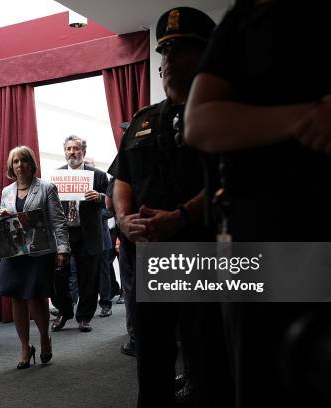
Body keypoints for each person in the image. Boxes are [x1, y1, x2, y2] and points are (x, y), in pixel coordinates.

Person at [184, 1, 331, 406]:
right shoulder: (249, 14)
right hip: (267, 237)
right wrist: (315, 118)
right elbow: (200, 122)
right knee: (266, 384)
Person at [110, 7, 233, 407]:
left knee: (209, 355)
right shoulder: (144, 120)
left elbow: (230, 180)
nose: (167, 63)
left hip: (205, 254)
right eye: (163, 53)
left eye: (179, 51)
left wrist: (180, 217)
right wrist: (126, 221)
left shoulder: (224, 115)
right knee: (153, 354)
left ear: (206, 56)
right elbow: (122, 179)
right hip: (152, 257)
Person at [0, 146, 70, 369]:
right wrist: (3, 217)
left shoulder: (46, 188)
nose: (19, 165)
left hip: (39, 251)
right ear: (11, 166)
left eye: (23, 161)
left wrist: (63, 249)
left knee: (36, 298)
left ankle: (45, 338)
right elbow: (2, 218)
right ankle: (25, 347)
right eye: (15, 162)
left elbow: (58, 221)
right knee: (16, 298)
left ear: (31, 163)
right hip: (14, 251)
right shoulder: (7, 191)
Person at [50, 135, 108, 333]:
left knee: (88, 278)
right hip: (64, 233)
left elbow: (113, 203)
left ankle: (84, 317)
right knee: (59, 276)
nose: (72, 152)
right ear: (64, 151)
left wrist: (100, 197)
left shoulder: (98, 176)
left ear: (84, 151)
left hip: (88, 234)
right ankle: (64, 312)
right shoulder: (56, 176)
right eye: (68, 149)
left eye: (76, 148)